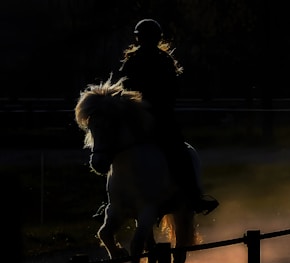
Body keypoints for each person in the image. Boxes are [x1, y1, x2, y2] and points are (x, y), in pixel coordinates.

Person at [93, 18, 218, 220]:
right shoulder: (131, 62)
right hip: (135, 118)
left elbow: (173, 91)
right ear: (139, 38)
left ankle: (193, 196)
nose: (146, 41)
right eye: (144, 37)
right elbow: (124, 89)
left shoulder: (164, 61)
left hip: (162, 117)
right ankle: (111, 202)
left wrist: (154, 104)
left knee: (180, 152)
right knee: (110, 150)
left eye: (149, 37)